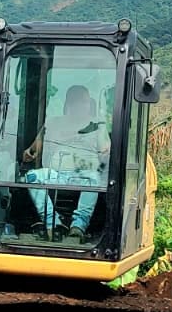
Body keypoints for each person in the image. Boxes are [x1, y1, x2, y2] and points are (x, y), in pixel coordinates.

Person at [21, 85, 107, 240]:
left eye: (84, 102)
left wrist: (101, 125)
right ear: (67, 104)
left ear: (90, 105)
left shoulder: (96, 126)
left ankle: (78, 226)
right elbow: (33, 150)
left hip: (84, 177)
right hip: (57, 174)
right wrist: (29, 153)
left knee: (95, 178)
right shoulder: (52, 124)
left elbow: (105, 150)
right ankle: (52, 223)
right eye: (75, 101)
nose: (79, 106)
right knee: (33, 176)